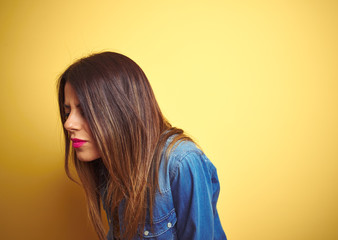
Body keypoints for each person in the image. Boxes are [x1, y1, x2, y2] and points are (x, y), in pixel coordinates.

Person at [57, 51, 226, 240]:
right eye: (67, 112)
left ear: (120, 110)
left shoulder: (181, 162)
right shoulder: (106, 161)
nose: (68, 124)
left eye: (85, 111)